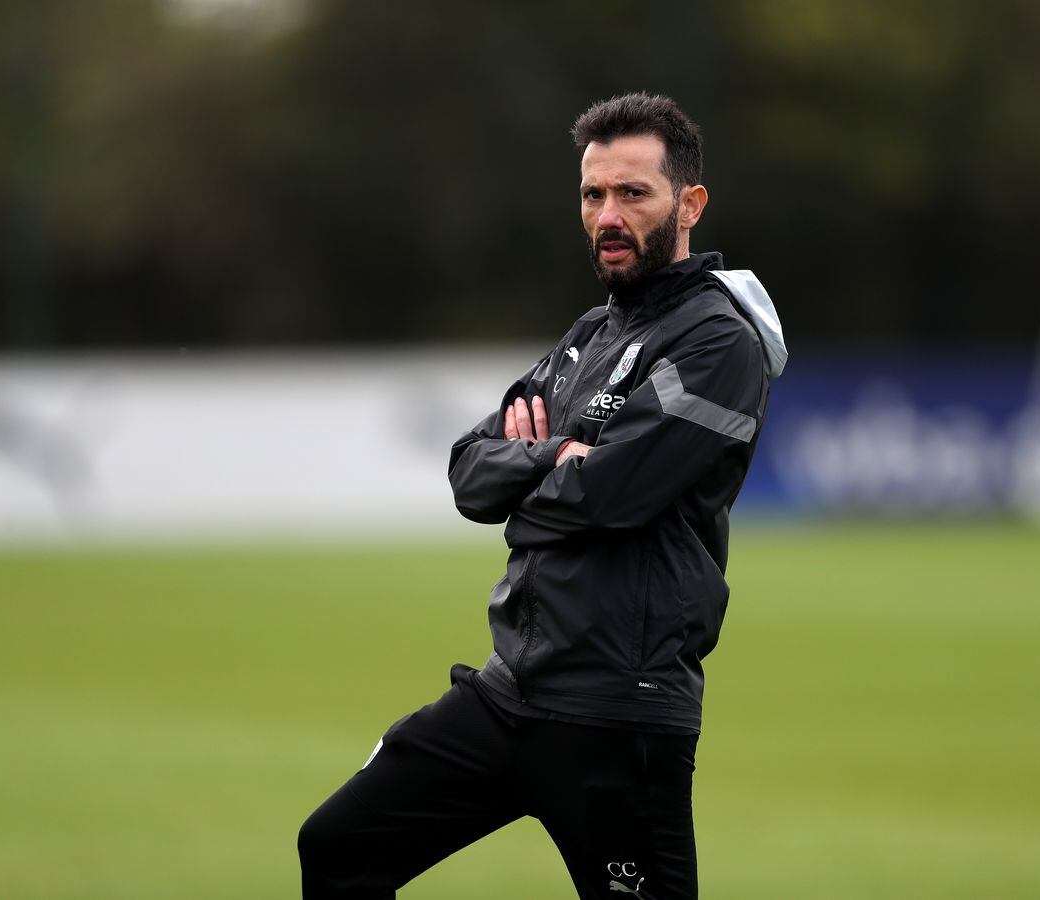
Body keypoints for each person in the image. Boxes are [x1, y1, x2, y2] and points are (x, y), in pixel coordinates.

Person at [298, 91, 786, 899]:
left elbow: (611, 496)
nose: (608, 214)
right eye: (594, 194)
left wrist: (533, 464)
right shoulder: (592, 335)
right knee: (339, 847)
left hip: (617, 715)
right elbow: (467, 472)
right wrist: (556, 454)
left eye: (634, 193)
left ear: (689, 204)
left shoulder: (716, 341)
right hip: (509, 693)